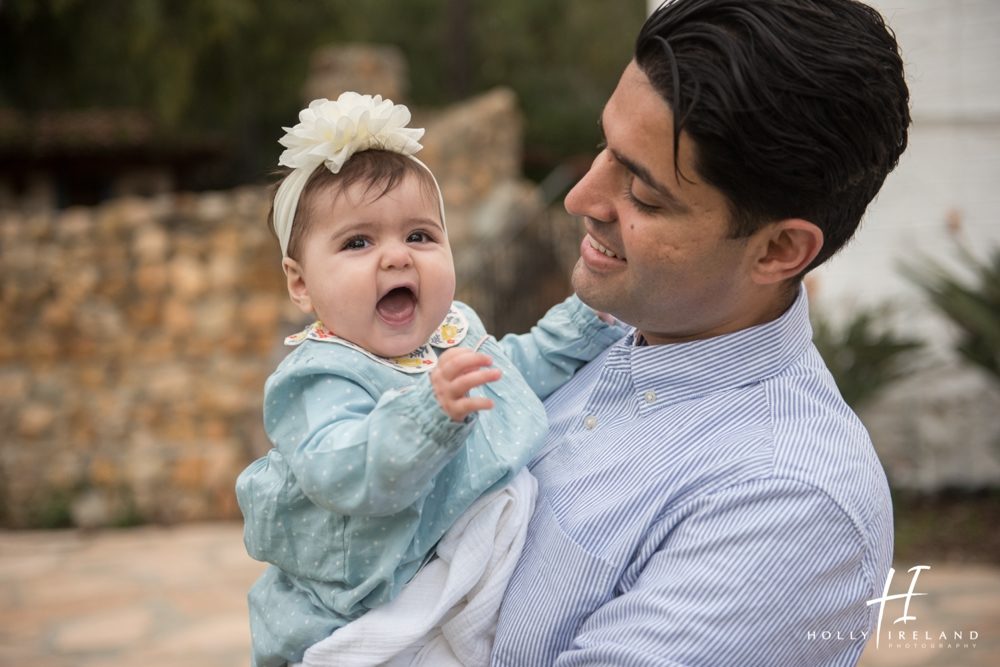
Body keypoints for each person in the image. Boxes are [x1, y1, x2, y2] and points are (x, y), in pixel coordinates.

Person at [490, 0, 911, 665]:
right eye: (606, 147)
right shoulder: (595, 342)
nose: (582, 199)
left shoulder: (786, 501)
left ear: (778, 251)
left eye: (645, 196)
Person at [235, 93, 625, 667]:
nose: (397, 258)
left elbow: (507, 372)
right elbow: (347, 469)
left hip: (443, 574)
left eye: (419, 236)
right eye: (358, 242)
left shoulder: (451, 329)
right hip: (364, 610)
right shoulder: (320, 376)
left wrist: (580, 327)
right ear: (300, 284)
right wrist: (427, 417)